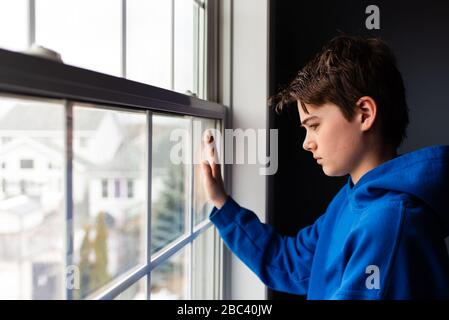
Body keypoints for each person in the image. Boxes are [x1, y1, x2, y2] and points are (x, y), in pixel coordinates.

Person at [200, 35, 449, 299]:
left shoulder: (387, 224)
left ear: (364, 113)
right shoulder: (352, 198)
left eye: (314, 125)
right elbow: (291, 266)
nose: (307, 143)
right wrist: (221, 203)